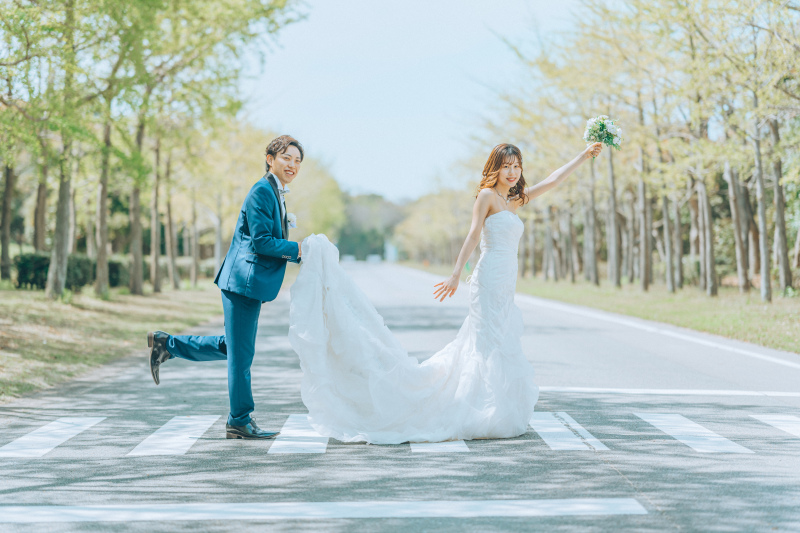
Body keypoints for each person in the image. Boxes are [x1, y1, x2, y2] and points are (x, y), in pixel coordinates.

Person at [288, 141, 604, 444]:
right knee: (488, 340)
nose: (512, 172)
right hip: (489, 278)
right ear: (495, 168)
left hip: (507, 280)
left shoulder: (516, 199)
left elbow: (553, 180)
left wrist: (583, 155)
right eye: (506, 166)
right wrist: (455, 274)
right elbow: (472, 236)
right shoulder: (487, 196)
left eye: (517, 166)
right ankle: (478, 407)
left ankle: (494, 406)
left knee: (501, 337)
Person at [147, 135, 304, 440]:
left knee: (234, 348)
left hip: (248, 283)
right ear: (270, 159)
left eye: (297, 161)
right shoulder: (262, 191)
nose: (292, 165)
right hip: (242, 282)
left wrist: (299, 253)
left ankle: (167, 344)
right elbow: (262, 242)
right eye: (286, 157)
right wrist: (298, 250)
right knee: (241, 355)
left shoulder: (274, 192)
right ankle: (239, 420)